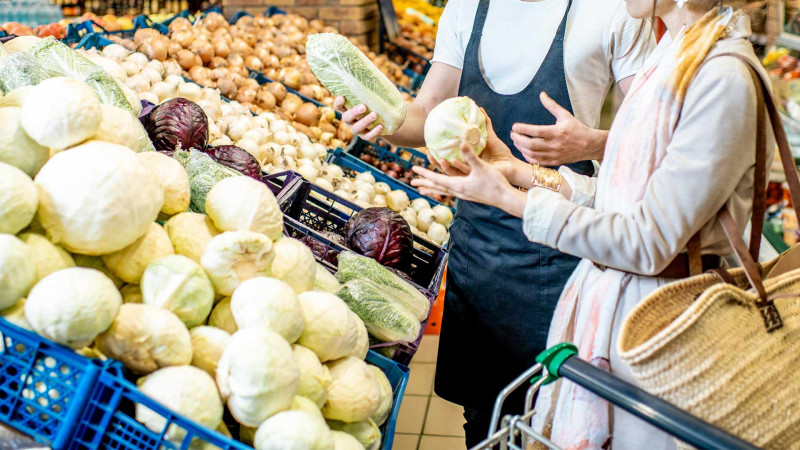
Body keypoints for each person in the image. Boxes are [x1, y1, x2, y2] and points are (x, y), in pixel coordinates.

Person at [411, 0, 772, 448]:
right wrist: (521, 174)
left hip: (658, 327)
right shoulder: (677, 56)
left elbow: (646, 241)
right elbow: (622, 197)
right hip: (618, 306)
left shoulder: (721, 80)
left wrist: (514, 201)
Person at [335, 0, 652, 444]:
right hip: (479, 249)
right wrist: (381, 121)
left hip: (563, 246)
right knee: (482, 420)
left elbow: (648, 140)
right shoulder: (467, 7)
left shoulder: (613, 10)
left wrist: (590, 143)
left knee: (556, 423)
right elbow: (426, 112)